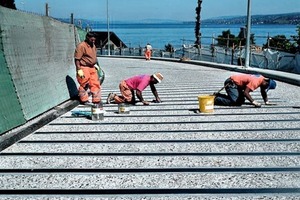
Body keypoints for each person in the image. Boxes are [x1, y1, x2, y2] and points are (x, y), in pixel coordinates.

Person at [74, 32, 102, 105]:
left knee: (95, 83)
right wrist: (79, 69)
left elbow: (93, 57)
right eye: (92, 40)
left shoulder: (93, 46)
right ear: (87, 38)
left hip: (92, 67)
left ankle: (96, 99)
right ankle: (84, 100)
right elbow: (77, 59)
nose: (93, 41)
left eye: (94, 40)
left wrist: (95, 64)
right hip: (84, 67)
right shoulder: (81, 46)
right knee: (84, 83)